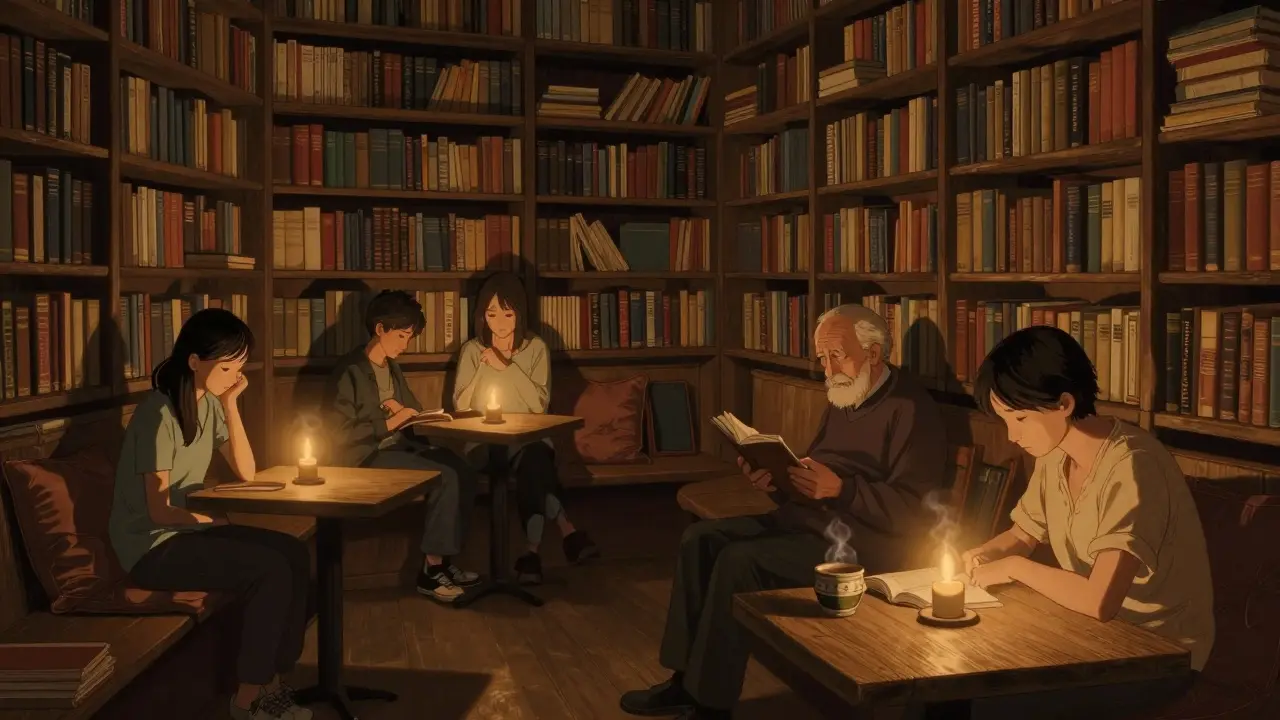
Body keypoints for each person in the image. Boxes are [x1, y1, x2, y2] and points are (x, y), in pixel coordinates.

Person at [620, 304, 948, 720]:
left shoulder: (911, 410)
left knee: (738, 561)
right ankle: (683, 682)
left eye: (837, 355)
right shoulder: (846, 394)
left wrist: (843, 489)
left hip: (862, 546)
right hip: (811, 524)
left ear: (874, 353)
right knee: (700, 539)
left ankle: (710, 703)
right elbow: (813, 477)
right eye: (822, 358)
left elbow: (915, 514)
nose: (828, 369)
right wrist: (775, 481)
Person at [958, 325, 1213, 719]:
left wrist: (1012, 567)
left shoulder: (1134, 466)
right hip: (1091, 636)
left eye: (1020, 418)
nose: (1012, 435)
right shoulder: (1053, 456)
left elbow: (1099, 600)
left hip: (1160, 652)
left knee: (994, 703)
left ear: (1063, 403)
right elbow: (1024, 533)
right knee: (964, 668)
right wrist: (982, 554)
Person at [109, 309, 313, 720]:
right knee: (269, 569)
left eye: (240, 367)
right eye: (226, 367)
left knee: (293, 552)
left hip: (187, 531)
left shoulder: (211, 404)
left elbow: (247, 471)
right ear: (194, 361)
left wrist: (231, 405)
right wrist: (210, 522)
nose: (235, 376)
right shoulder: (158, 415)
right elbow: (159, 511)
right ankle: (248, 698)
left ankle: (274, 681)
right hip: (151, 547)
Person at [322, 290, 480, 603]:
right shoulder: (350, 370)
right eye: (401, 336)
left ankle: (444, 561)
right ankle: (431, 572)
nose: (405, 344)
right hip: (364, 457)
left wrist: (415, 414)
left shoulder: (391, 367)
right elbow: (338, 434)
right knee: (444, 476)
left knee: (462, 467)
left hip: (399, 448)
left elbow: (412, 410)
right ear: (380, 329)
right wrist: (391, 421)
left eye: (409, 337)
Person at [452, 271, 598, 584]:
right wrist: (482, 368)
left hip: (529, 440)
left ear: (520, 313)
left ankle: (531, 552)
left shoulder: (535, 348)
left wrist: (507, 366)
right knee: (536, 467)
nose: (500, 322)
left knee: (535, 462)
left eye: (508, 314)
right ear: (482, 315)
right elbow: (461, 405)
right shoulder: (472, 351)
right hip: (482, 443)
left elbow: (538, 405)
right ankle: (566, 532)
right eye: (492, 314)